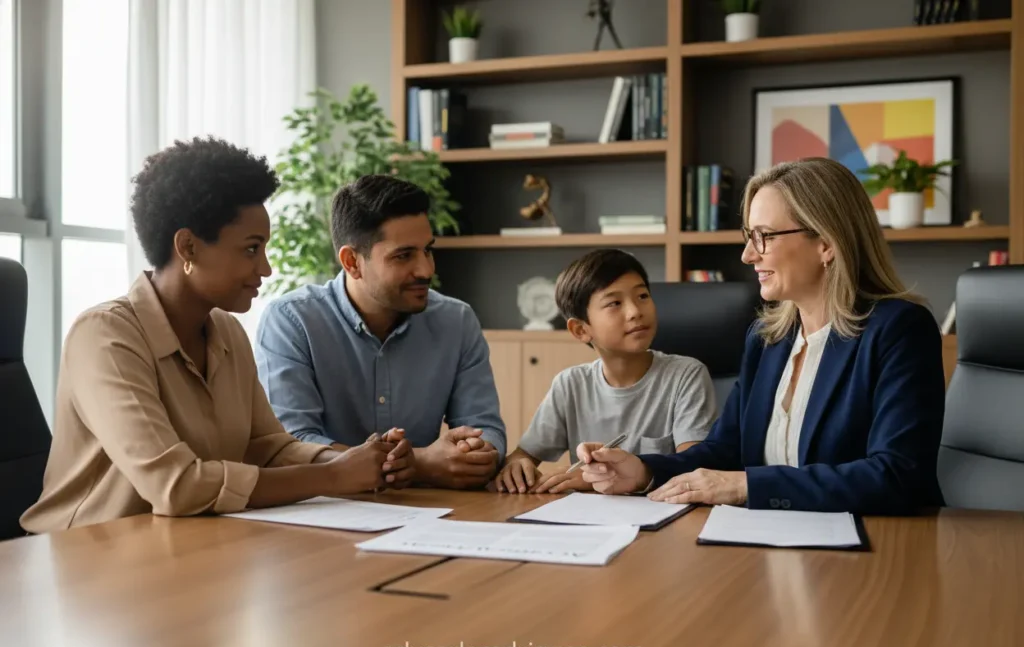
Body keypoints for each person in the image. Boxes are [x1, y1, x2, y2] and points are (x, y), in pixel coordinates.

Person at [20, 138, 413, 534]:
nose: (266, 268)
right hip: (83, 561)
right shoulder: (104, 337)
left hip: (181, 549)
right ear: (188, 247)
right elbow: (175, 486)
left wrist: (356, 460)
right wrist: (334, 478)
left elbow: (267, 447)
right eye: (251, 249)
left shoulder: (225, 330)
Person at [577, 157, 947, 515]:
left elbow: (899, 476)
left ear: (826, 243)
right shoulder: (769, 338)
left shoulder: (899, 330)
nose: (748, 254)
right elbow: (725, 450)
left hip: (878, 553)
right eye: (749, 236)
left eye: (764, 236)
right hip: (769, 545)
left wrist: (744, 486)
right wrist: (643, 471)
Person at [255, 174, 506, 490]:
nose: (426, 270)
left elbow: (486, 428)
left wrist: (477, 451)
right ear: (352, 262)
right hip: (326, 512)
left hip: (427, 514)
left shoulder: (456, 321)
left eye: (428, 250)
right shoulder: (293, 321)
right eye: (404, 255)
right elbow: (293, 445)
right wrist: (420, 463)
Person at [494, 249, 717, 494]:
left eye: (642, 295)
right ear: (580, 330)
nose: (635, 311)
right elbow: (523, 455)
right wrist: (518, 467)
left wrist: (596, 478)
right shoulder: (570, 384)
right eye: (614, 303)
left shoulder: (686, 375)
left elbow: (694, 468)